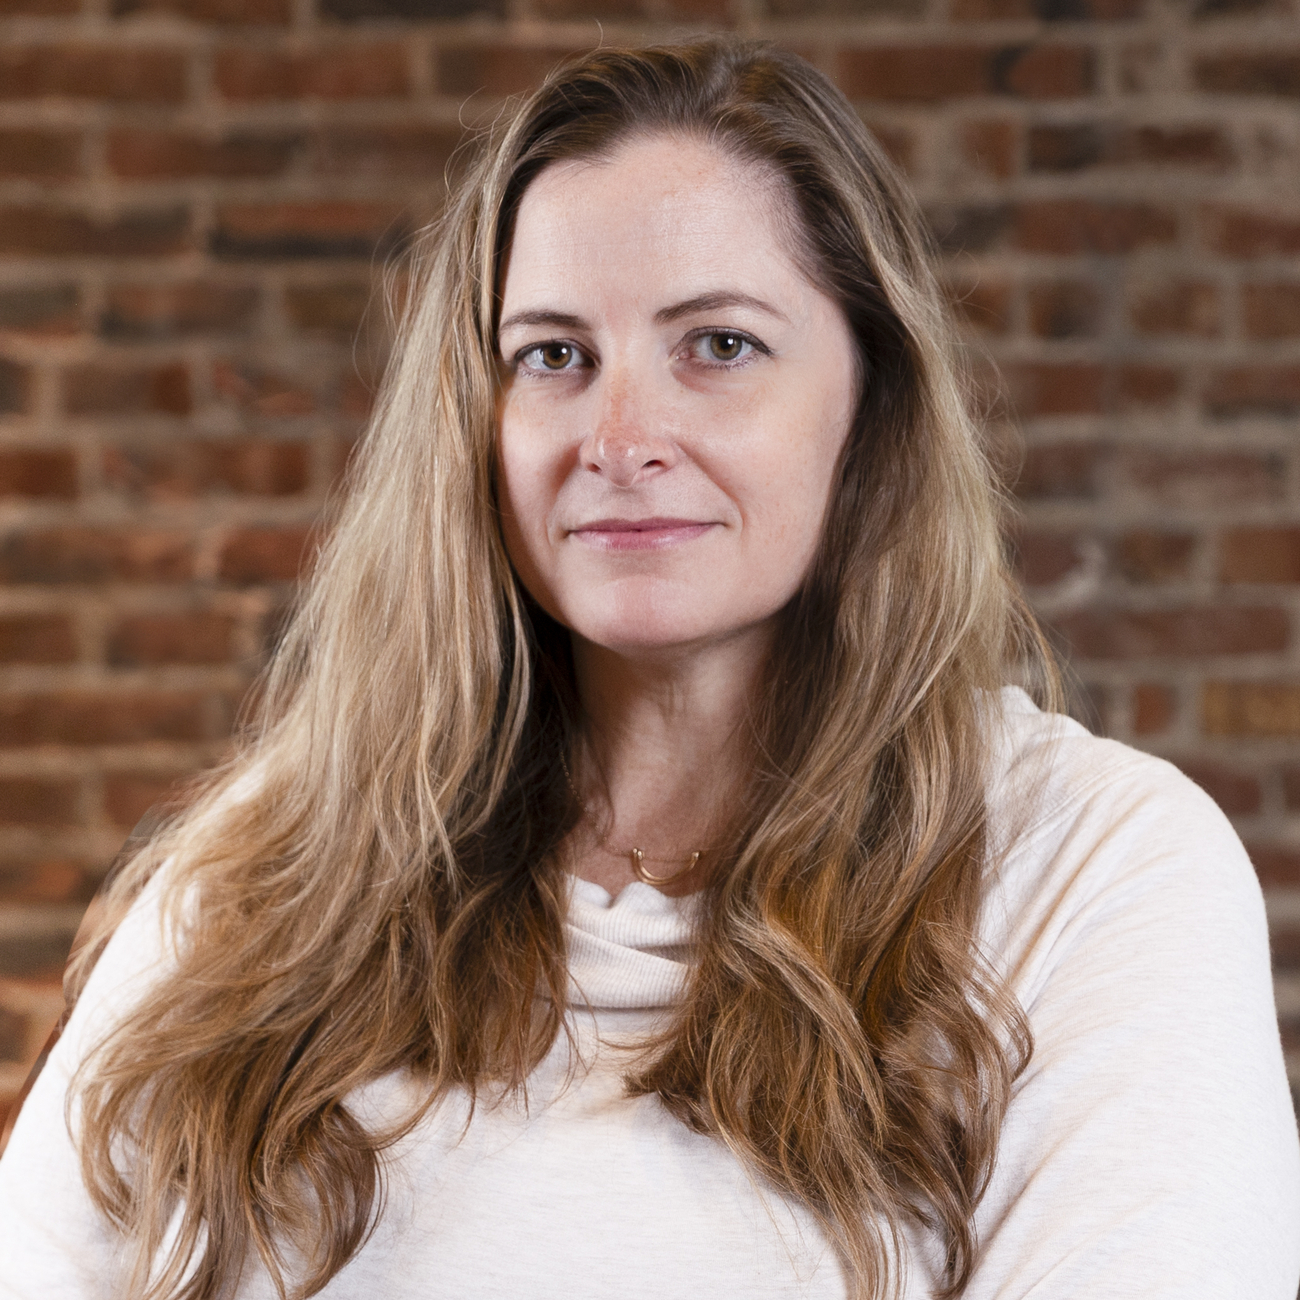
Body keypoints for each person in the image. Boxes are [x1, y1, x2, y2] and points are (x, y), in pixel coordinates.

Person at [0, 39, 1296, 1300]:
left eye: (718, 346)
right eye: (554, 356)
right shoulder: (268, 860)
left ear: (868, 405)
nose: (621, 440)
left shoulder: (1097, 867)